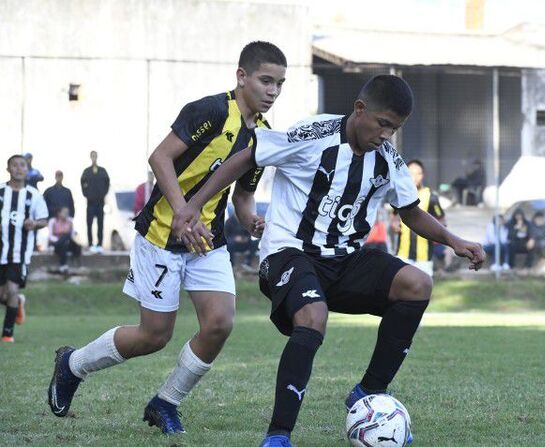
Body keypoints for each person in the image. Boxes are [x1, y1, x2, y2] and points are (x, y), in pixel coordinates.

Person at [172, 75, 485, 447]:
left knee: (417, 285)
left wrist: (454, 240)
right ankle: (277, 436)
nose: (386, 135)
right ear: (359, 109)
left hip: (345, 261)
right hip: (288, 254)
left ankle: (368, 392)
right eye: (383, 124)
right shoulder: (313, 134)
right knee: (313, 317)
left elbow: (411, 212)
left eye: (395, 129)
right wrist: (193, 205)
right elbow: (247, 157)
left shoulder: (388, 160)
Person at [47, 41, 287, 434]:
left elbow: (243, 195)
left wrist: (252, 221)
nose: (273, 91)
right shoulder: (209, 110)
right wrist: (182, 212)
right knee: (154, 336)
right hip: (160, 236)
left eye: (280, 84)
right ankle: (72, 365)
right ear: (241, 76)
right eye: (265, 81)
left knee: (220, 324)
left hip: (207, 242)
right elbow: (159, 157)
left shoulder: (263, 136)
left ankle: (165, 402)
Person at [0, 155, 49, 342]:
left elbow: (44, 220)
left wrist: (34, 223)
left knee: (12, 289)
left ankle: (7, 335)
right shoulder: (1, 192)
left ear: (27, 170)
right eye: (15, 165)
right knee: (4, 294)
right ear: (8, 169)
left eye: (22, 165)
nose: (19, 168)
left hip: (19, 253)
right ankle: (18, 302)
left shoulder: (33, 195)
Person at [393, 159, 446, 276]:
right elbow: (394, 216)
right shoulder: (400, 194)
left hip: (424, 256)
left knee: (422, 291)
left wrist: (436, 234)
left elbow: (442, 219)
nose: (415, 177)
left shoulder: (431, 196)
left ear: (423, 175)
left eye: (419, 173)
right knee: (401, 291)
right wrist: (394, 224)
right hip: (403, 254)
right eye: (411, 173)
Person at [80, 151, 110, 253]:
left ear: (97, 157)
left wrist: (103, 194)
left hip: (100, 202)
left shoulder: (102, 171)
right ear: (90, 157)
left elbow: (107, 183)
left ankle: (99, 244)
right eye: (92, 156)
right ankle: (90, 243)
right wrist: (87, 194)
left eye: (95, 156)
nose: (93, 158)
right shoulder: (86, 171)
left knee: (100, 223)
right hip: (90, 203)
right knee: (89, 223)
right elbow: (82, 183)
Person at [48, 207, 81, 272]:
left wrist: (74, 233)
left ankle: (63, 265)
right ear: (59, 213)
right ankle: (63, 265)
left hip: (67, 243)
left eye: (67, 213)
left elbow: (72, 234)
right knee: (63, 242)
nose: (66, 215)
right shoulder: (53, 221)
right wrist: (59, 240)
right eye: (64, 213)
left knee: (66, 237)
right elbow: (50, 236)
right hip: (56, 242)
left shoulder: (70, 221)